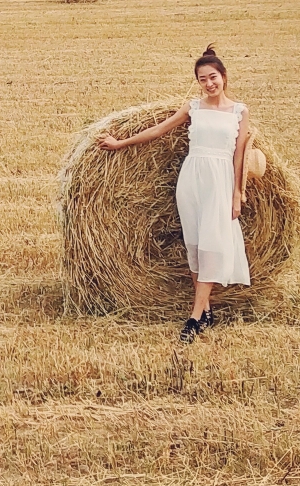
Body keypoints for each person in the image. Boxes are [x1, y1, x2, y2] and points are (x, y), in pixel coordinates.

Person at [99, 45, 252, 342]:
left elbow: (240, 156)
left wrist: (237, 194)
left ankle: (193, 319)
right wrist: (120, 144)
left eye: (213, 77)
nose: (209, 84)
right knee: (195, 246)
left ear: (224, 76)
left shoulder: (239, 112)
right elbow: (159, 130)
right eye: (202, 79)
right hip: (192, 178)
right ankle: (205, 311)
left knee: (212, 245)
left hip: (220, 180)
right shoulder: (193, 108)